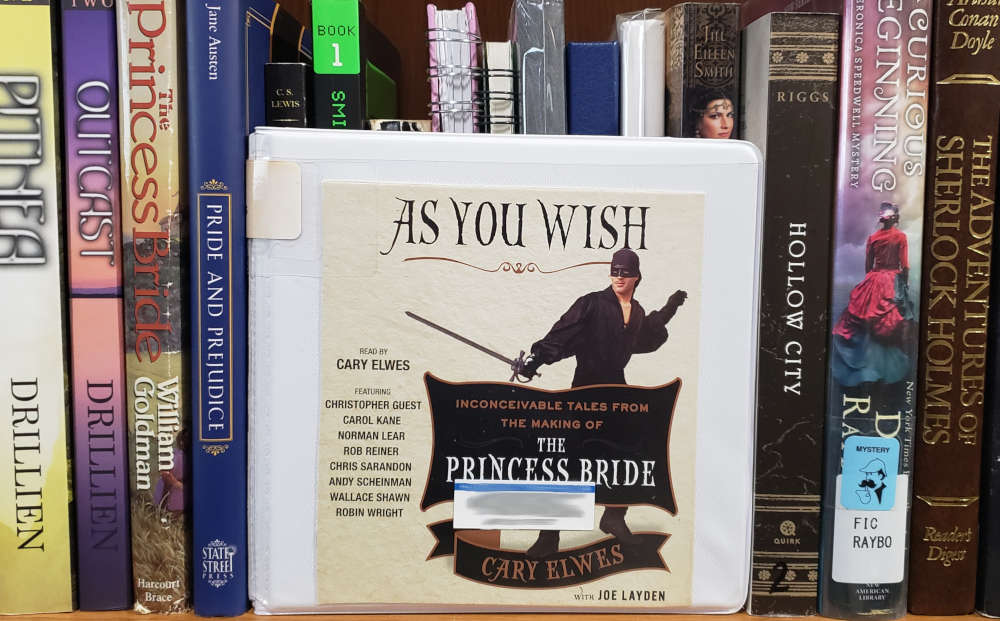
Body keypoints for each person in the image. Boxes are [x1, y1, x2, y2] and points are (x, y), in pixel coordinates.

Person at [515, 247, 687, 557]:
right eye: (615, 271)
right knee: (568, 462)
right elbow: (563, 333)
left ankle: (614, 517)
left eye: (625, 272)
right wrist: (535, 360)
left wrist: (671, 307)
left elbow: (649, 332)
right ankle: (549, 536)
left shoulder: (636, 312)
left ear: (637, 277)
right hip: (586, 389)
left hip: (617, 391)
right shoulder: (591, 303)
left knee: (629, 453)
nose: (619, 277)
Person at [831, 202, 914, 386]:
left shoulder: (873, 237)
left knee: (863, 317)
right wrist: (904, 283)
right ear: (895, 218)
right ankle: (887, 369)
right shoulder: (901, 237)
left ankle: (861, 363)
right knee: (894, 318)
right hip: (892, 279)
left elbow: (868, 266)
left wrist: (872, 282)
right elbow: (905, 265)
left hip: (874, 278)